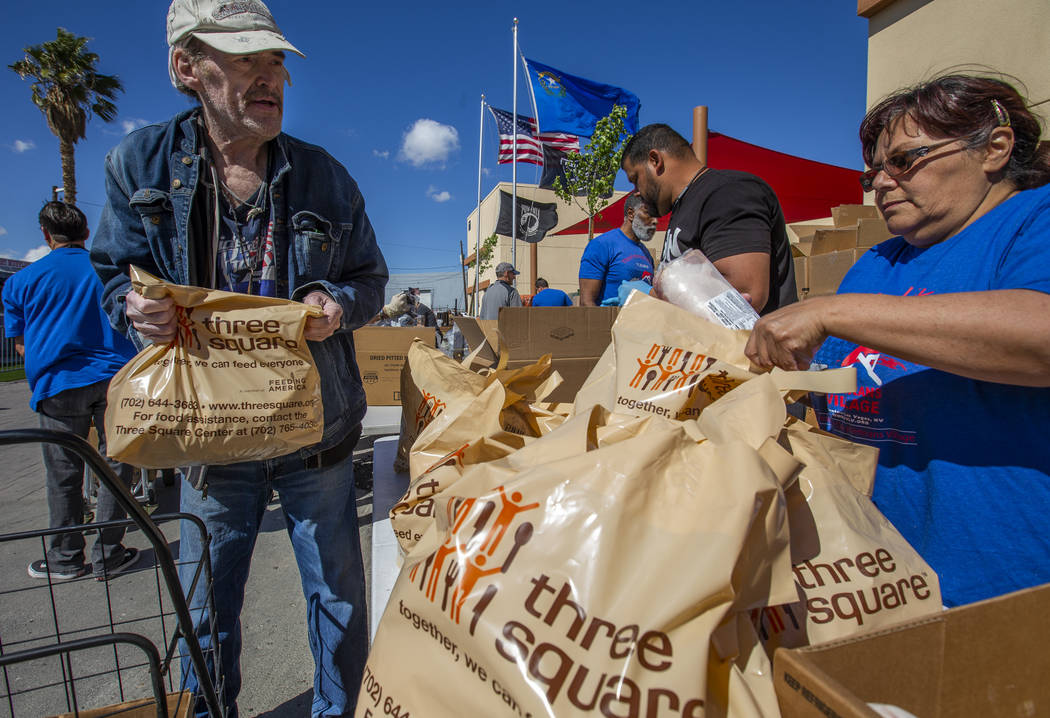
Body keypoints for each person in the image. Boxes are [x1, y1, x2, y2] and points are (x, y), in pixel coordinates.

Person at [89, 1, 388, 714]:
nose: (270, 76)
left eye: (276, 61)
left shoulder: (326, 177)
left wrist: (336, 304)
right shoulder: (138, 164)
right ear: (186, 67)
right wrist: (134, 309)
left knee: (339, 602)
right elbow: (110, 275)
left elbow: (372, 281)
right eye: (246, 59)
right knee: (204, 609)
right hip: (209, 439)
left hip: (316, 435)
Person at [744, 74, 1050, 608]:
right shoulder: (876, 264)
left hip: (1001, 591)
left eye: (905, 161)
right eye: (873, 174)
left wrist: (831, 309)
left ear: (994, 149)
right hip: (879, 583)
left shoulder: (1033, 219)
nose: (883, 182)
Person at [2, 202, 140, 582]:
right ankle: (109, 554)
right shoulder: (108, 272)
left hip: (58, 384)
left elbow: (22, 345)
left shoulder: (21, 282)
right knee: (116, 468)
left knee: (63, 472)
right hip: (116, 378)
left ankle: (65, 558)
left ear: (47, 236)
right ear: (86, 234)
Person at [621, 124, 797, 314]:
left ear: (655, 160)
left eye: (635, 179)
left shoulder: (727, 193)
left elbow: (744, 296)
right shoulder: (685, 207)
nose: (636, 192)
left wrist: (654, 296)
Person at [578, 193, 657, 306]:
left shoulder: (646, 253)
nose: (655, 221)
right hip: (608, 321)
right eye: (649, 214)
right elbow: (586, 302)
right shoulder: (601, 245)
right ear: (631, 214)